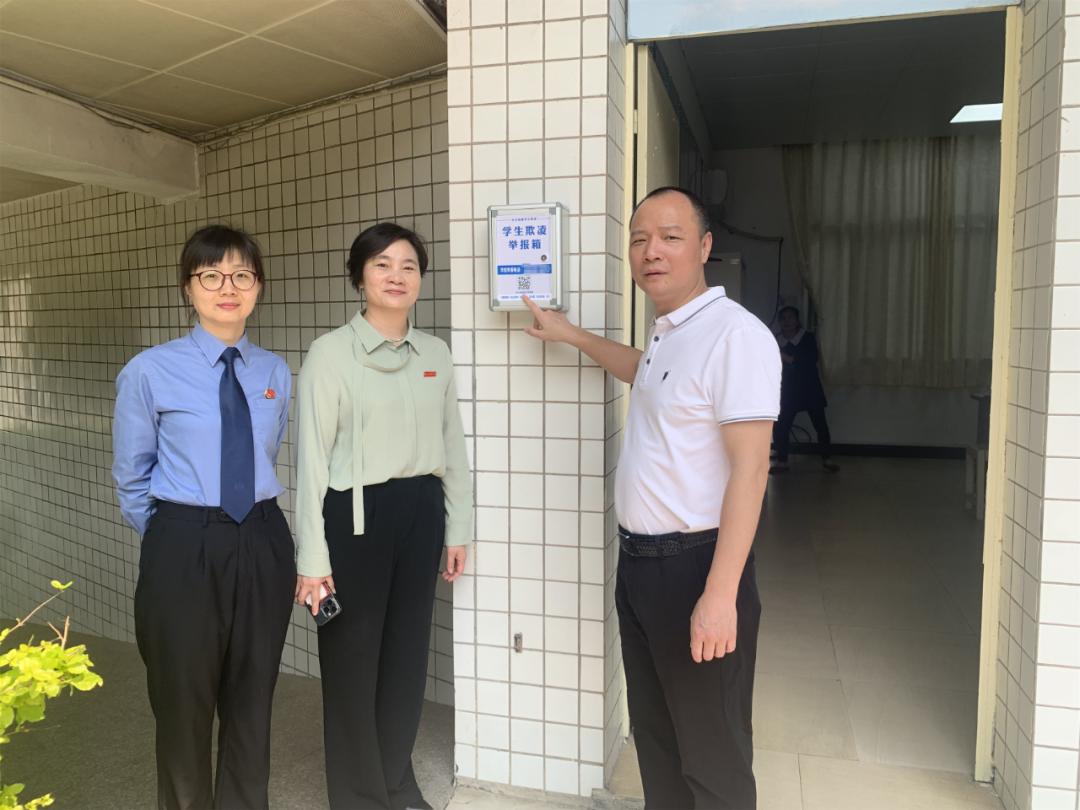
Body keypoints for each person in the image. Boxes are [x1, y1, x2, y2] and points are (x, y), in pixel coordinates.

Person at [523, 186, 780, 809]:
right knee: (659, 739)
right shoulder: (671, 333)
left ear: (705, 246)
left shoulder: (734, 336)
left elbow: (751, 472)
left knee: (711, 752)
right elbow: (643, 370)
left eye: (670, 237)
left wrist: (719, 595)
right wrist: (572, 335)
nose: (651, 251)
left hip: (695, 568)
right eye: (639, 239)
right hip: (640, 567)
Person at [112, 225, 295, 810]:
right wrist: (175, 537)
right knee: (182, 703)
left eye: (242, 275)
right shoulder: (149, 371)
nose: (228, 288)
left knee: (252, 699)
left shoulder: (274, 372)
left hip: (262, 537)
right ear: (188, 288)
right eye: (211, 276)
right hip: (183, 542)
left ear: (258, 286)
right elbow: (132, 476)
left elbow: (265, 452)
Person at [294, 222, 472, 810]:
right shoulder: (329, 354)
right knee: (352, 662)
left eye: (408, 266)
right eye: (382, 264)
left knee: (405, 657)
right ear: (359, 277)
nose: (397, 276)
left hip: (420, 512)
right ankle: (358, 797)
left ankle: (396, 781)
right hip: (354, 518)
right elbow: (311, 462)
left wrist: (458, 526)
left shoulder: (435, 355)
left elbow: (452, 446)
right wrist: (312, 557)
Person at [770, 305, 839, 474]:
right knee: (781, 425)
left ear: (797, 321)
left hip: (809, 387)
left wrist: (784, 357)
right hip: (787, 390)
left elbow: (809, 360)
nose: (787, 321)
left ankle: (827, 459)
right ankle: (782, 461)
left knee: (820, 424)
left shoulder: (807, 337)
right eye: (783, 318)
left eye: (790, 318)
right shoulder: (775, 339)